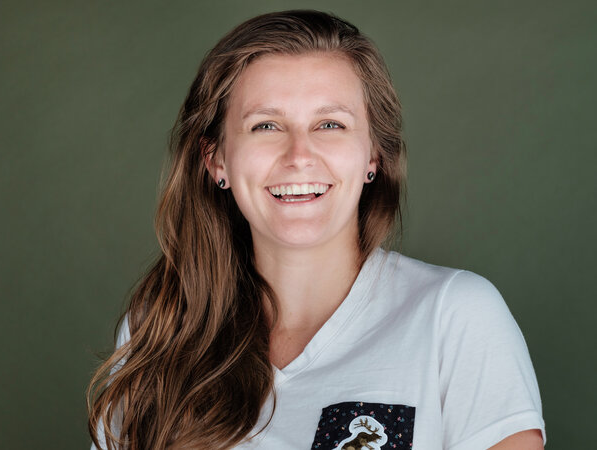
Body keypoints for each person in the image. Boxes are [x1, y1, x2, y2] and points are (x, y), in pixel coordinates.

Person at [87, 10, 545, 450]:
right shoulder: (160, 327)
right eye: (266, 125)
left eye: (330, 124)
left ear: (373, 155)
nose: (299, 156)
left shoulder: (455, 317)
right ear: (216, 159)